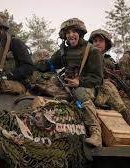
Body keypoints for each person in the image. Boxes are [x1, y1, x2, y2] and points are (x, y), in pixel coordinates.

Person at [37, 18, 102, 147]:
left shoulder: (92, 51)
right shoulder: (64, 52)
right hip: (66, 86)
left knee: (79, 94)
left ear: (80, 33)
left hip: (86, 87)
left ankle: (96, 134)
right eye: (67, 32)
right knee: (42, 84)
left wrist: (79, 82)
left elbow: (97, 79)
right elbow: (48, 64)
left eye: (74, 31)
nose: (71, 35)